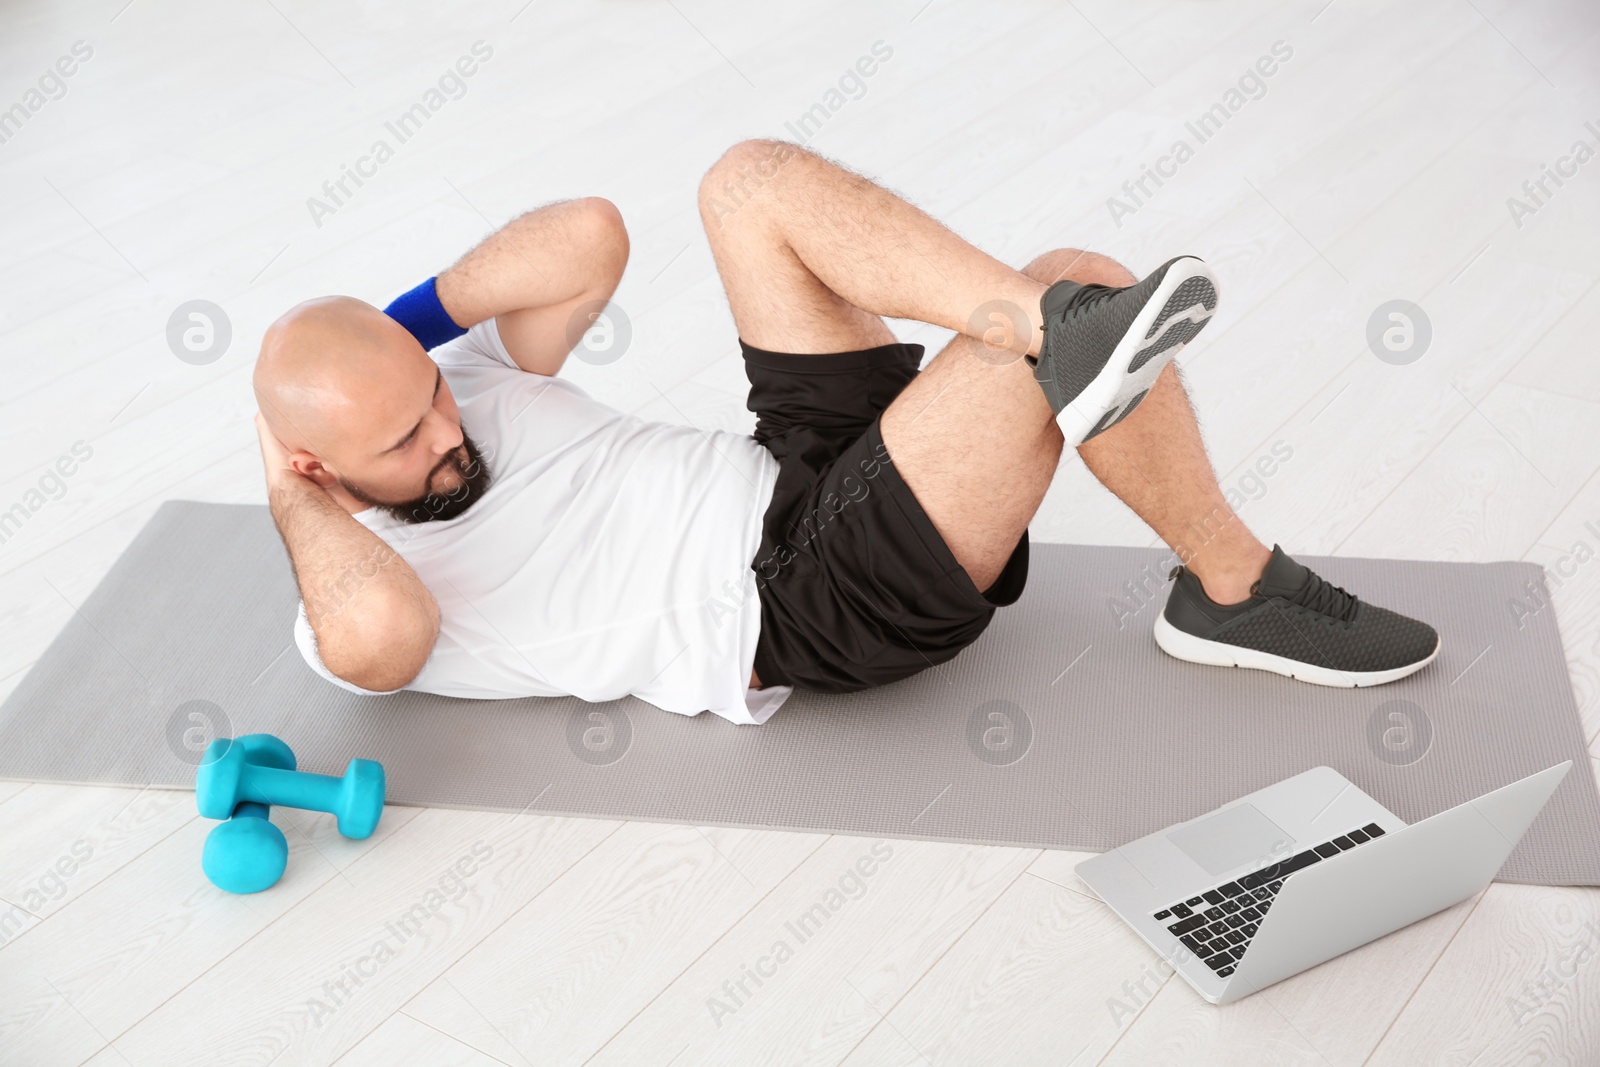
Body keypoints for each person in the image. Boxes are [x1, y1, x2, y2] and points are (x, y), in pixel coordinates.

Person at [252, 139, 1439, 726]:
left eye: (434, 398)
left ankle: (1065, 323)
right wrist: (290, 486)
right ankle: (1233, 589)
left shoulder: (444, 381)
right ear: (314, 470)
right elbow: (384, 639)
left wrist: (400, 337)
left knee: (748, 183)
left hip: (785, 468)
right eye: (402, 443)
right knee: (1027, 354)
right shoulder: (345, 584)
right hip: (795, 598)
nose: (445, 434)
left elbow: (586, 235)